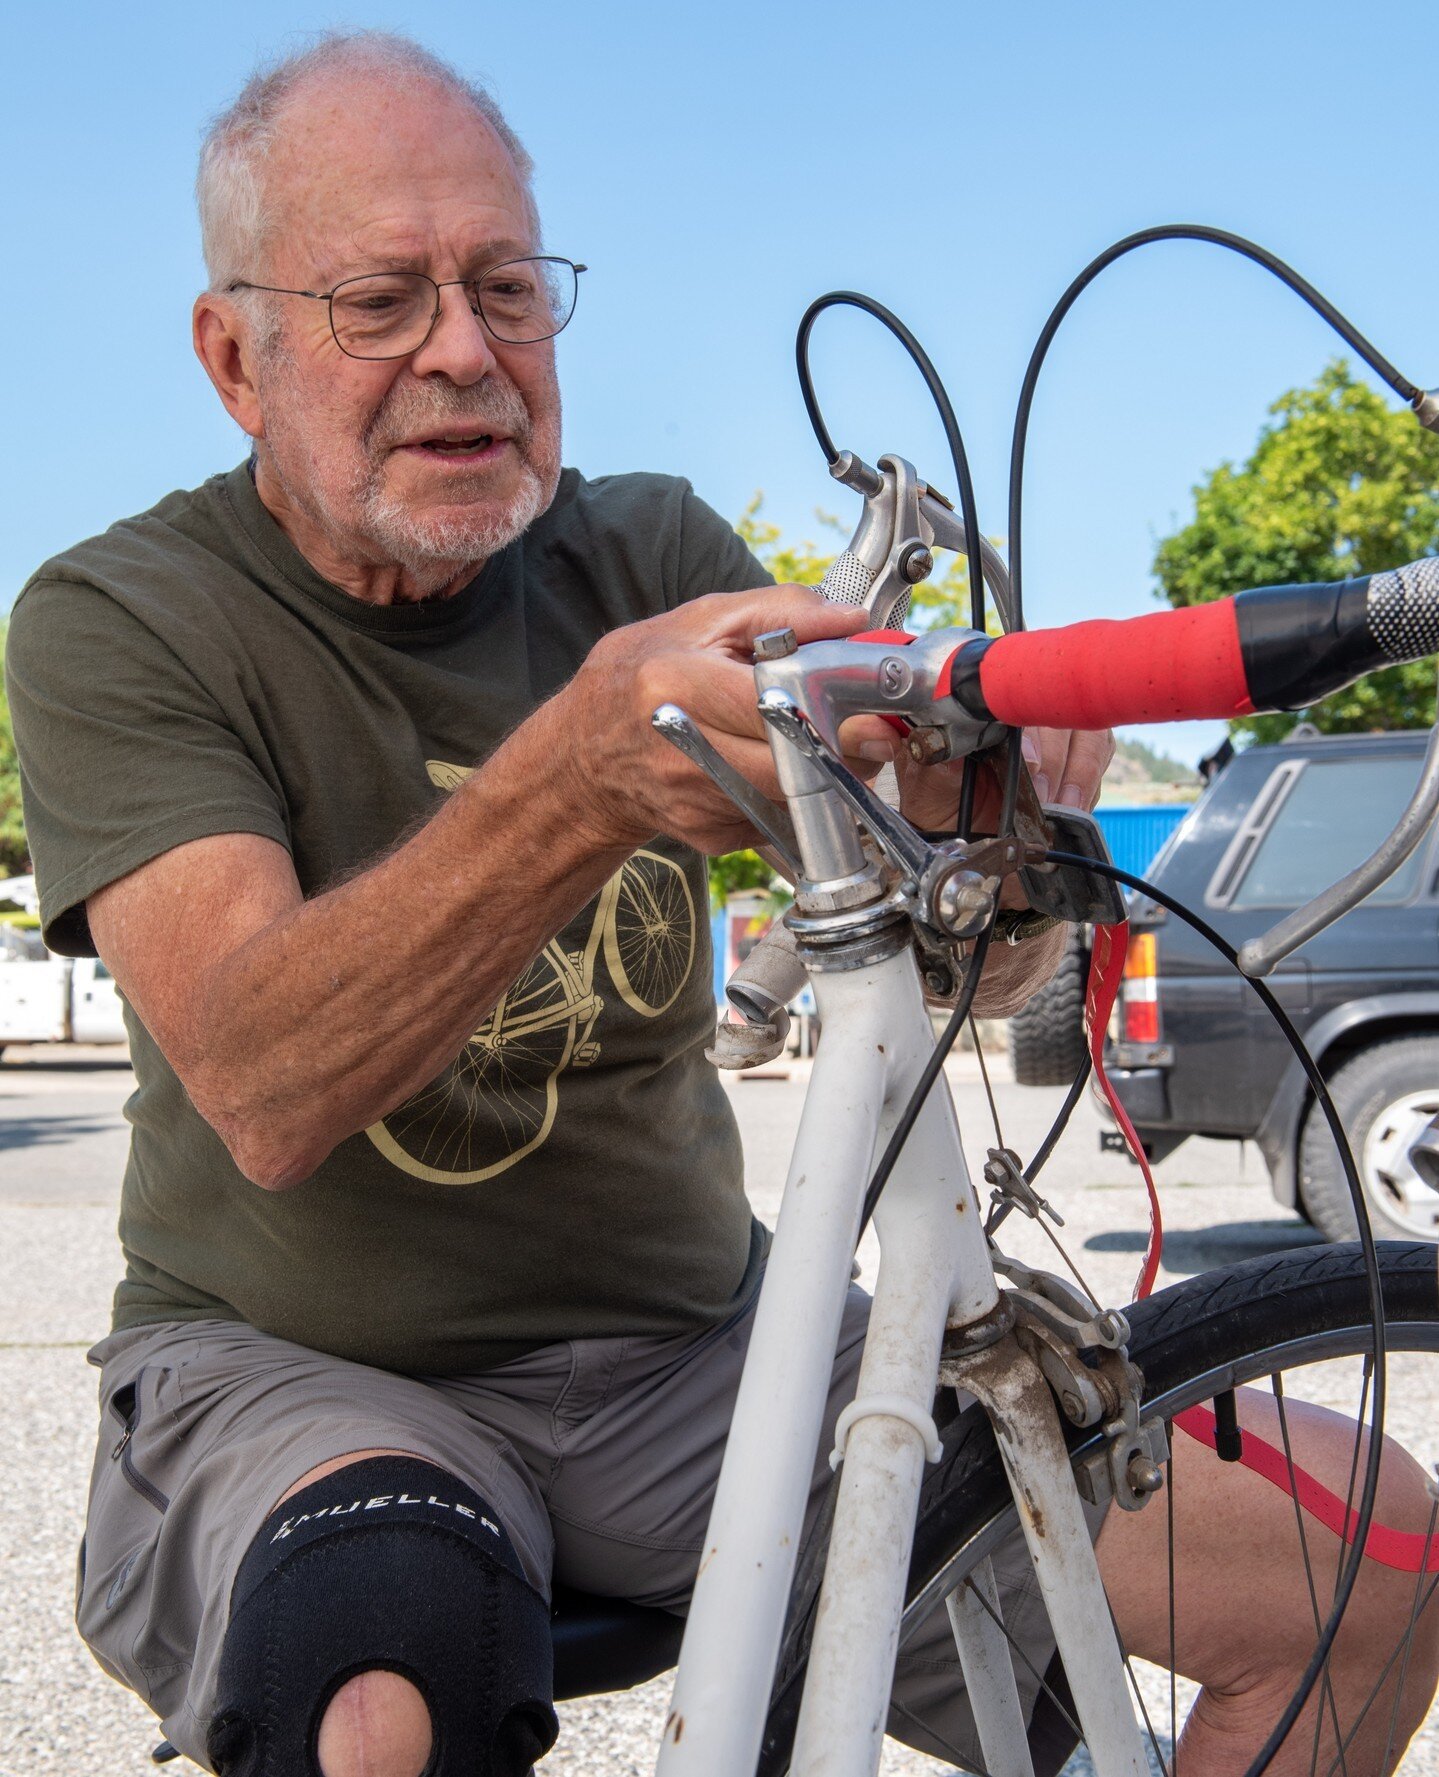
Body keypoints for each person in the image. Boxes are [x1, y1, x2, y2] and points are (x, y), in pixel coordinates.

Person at [7, 31, 1436, 1777]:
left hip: (702, 1352)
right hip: (310, 1365)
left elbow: (983, 963)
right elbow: (261, 1078)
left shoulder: (644, 547)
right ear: (236, 356)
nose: (465, 350)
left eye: (509, 290)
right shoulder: (120, 615)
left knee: (1367, 1557)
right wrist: (572, 781)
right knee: (376, 1679)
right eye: (381, 299)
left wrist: (990, 807)